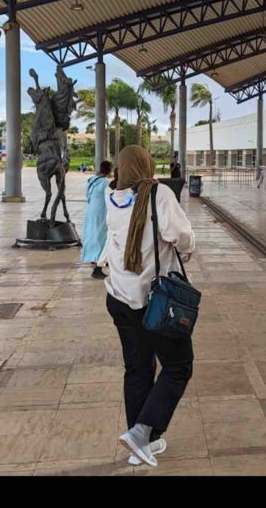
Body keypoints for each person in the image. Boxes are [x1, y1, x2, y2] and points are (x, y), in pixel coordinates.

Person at [102, 145, 196, 467]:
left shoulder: (111, 195)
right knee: (178, 366)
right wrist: (188, 248)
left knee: (138, 368)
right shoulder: (160, 194)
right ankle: (142, 433)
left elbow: (113, 237)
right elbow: (181, 235)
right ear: (146, 165)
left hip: (118, 297)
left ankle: (142, 441)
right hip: (154, 301)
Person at [82, 161, 113, 279]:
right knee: (101, 237)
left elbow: (87, 194)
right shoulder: (105, 183)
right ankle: (99, 262)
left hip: (91, 211)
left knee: (91, 235)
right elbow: (110, 198)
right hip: (101, 212)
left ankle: (93, 258)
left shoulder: (92, 180)